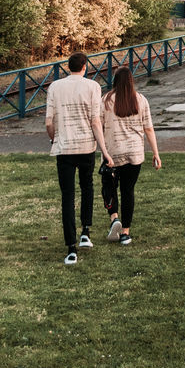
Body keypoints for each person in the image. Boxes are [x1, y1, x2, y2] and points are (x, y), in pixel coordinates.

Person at [45, 52, 113, 266]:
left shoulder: (54, 87)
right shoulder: (93, 87)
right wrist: (104, 150)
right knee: (87, 187)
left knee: (67, 196)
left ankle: (71, 247)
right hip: (85, 147)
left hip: (64, 148)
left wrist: (54, 139)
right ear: (84, 66)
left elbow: (49, 122)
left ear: (68, 67)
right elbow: (95, 122)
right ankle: (86, 231)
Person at [99, 65, 162, 246]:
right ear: (131, 81)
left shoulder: (106, 101)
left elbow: (99, 126)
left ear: (115, 82)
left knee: (109, 186)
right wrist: (156, 153)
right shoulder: (140, 100)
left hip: (113, 153)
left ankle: (114, 218)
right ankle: (125, 232)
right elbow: (148, 128)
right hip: (135, 153)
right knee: (128, 191)